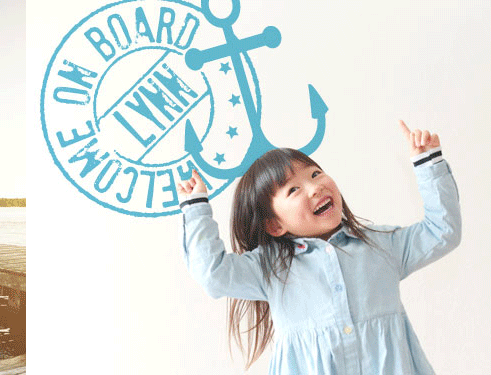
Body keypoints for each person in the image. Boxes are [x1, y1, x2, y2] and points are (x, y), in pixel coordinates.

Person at [176, 121, 459, 373]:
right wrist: (196, 209)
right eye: (293, 190)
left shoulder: (381, 245)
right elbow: (213, 274)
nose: (315, 188)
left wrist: (428, 164)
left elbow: (442, 231)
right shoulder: (269, 268)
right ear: (275, 226)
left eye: (315, 174)